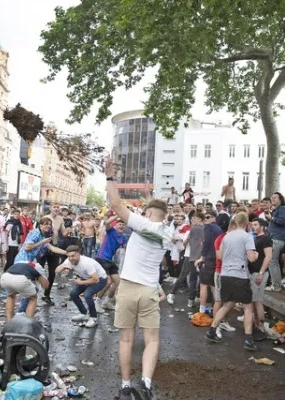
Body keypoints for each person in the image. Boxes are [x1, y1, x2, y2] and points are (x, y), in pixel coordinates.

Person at [105, 157, 172, 400]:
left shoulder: (143, 223)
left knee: (126, 338)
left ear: (150, 213)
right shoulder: (167, 233)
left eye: (145, 211)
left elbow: (114, 203)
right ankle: (145, 384)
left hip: (129, 287)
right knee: (152, 340)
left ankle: (125, 386)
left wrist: (110, 176)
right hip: (150, 290)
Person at [206, 212, 258, 350]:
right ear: (246, 224)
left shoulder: (227, 237)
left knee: (227, 305)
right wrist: (256, 254)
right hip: (240, 274)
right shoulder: (247, 237)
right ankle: (248, 339)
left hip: (225, 273)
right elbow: (251, 258)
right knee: (248, 307)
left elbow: (221, 256)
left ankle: (212, 330)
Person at [56, 245, 108, 328]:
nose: (71, 258)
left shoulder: (86, 263)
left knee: (87, 294)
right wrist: (63, 266)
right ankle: (84, 313)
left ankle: (93, 318)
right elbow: (57, 270)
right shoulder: (69, 261)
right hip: (87, 278)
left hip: (101, 279)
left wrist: (81, 282)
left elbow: (96, 279)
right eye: (69, 256)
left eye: (73, 256)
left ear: (79, 254)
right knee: (73, 294)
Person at [95, 215, 127, 310]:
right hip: (102, 258)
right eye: (119, 224)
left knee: (119, 283)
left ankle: (107, 301)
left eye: (123, 225)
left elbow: (127, 249)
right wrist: (117, 214)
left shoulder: (123, 238)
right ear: (116, 225)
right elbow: (106, 223)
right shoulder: (111, 231)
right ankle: (97, 302)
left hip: (110, 261)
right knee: (107, 282)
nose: (121, 226)